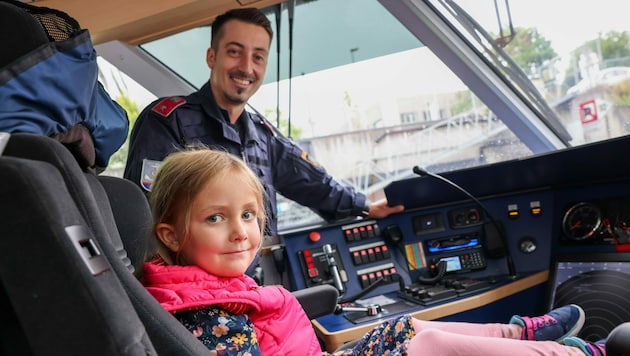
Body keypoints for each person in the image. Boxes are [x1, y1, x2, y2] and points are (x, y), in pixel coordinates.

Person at [141, 147, 607, 356]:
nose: (241, 232)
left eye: (248, 214)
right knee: (429, 344)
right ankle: (572, 355)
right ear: (172, 235)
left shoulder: (211, 287)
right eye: (215, 218)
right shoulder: (206, 315)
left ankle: (518, 336)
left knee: (403, 325)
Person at [123, 7, 404, 239]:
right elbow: (144, 214)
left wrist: (365, 206)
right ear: (212, 57)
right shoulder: (169, 121)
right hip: (198, 292)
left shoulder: (262, 134)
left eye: (258, 56)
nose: (247, 67)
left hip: (257, 284)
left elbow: (313, 182)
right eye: (235, 52)